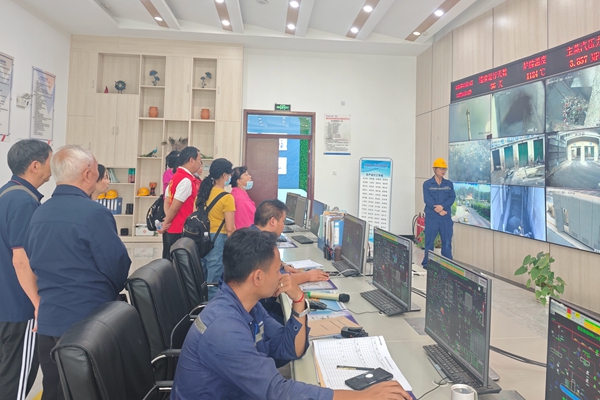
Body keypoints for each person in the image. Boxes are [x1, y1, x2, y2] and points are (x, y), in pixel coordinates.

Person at [171, 229, 411, 400]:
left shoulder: (248, 305)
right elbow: (276, 392)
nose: (282, 276)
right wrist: (362, 396)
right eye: (278, 270)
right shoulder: (224, 329)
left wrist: (298, 301)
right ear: (257, 277)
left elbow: (288, 349)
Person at [24, 145, 131, 400]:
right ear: (87, 174)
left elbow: (32, 261)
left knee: (54, 389)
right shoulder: (95, 213)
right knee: (88, 391)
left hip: (49, 321)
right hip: (87, 324)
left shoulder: (39, 212)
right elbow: (117, 267)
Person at [0, 139, 52, 400]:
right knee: (17, 382)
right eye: (50, 160)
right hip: (20, 307)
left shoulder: (6, 194)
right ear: (35, 165)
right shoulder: (24, 201)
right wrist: (38, 303)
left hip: (5, 303)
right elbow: (20, 260)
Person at [252, 199, 329, 321]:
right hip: (259, 309)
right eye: (283, 221)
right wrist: (308, 276)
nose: (283, 226)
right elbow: (278, 282)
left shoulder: (252, 235)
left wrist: (282, 265)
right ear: (273, 221)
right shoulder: (260, 246)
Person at [195, 158, 236, 299]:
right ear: (224, 175)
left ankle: (202, 305)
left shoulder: (202, 194)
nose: (230, 178)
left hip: (200, 239)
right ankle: (213, 308)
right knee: (214, 281)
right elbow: (230, 228)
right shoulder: (227, 198)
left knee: (202, 277)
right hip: (217, 240)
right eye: (229, 175)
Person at [160, 147, 202, 259]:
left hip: (173, 228)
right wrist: (165, 223)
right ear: (191, 160)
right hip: (181, 230)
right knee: (180, 264)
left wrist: (167, 221)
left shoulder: (175, 177)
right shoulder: (186, 180)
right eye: (199, 160)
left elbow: (167, 201)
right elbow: (175, 207)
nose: (200, 163)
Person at [421, 158, 455, 269]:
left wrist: (443, 207)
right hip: (432, 217)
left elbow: (452, 197)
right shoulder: (427, 184)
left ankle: (448, 265)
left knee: (447, 243)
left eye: (444, 169)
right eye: (441, 169)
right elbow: (427, 200)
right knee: (429, 242)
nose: (443, 171)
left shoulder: (449, 184)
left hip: (445, 217)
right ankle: (427, 265)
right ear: (434, 169)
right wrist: (439, 209)